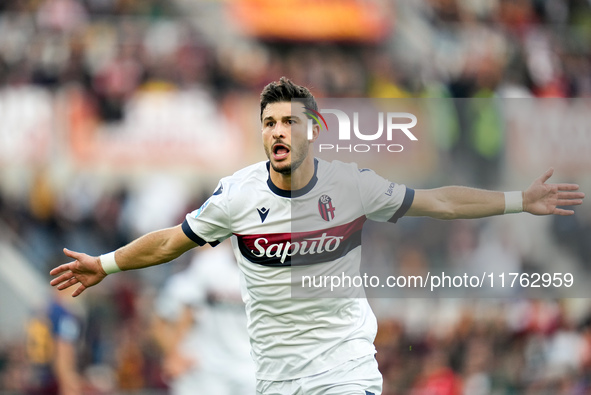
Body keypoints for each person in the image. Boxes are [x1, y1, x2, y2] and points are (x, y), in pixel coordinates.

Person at [50, 77, 584, 394]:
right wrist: (108, 263)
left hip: (344, 367)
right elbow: (171, 241)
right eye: (269, 123)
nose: (278, 132)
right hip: (277, 379)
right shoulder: (236, 196)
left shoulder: (351, 186)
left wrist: (518, 200)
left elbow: (439, 201)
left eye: (288, 122)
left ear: (312, 130)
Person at [151, 240, 255, 394]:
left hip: (251, 366)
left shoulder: (274, 269)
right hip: (207, 366)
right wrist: (174, 353)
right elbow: (186, 309)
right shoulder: (209, 263)